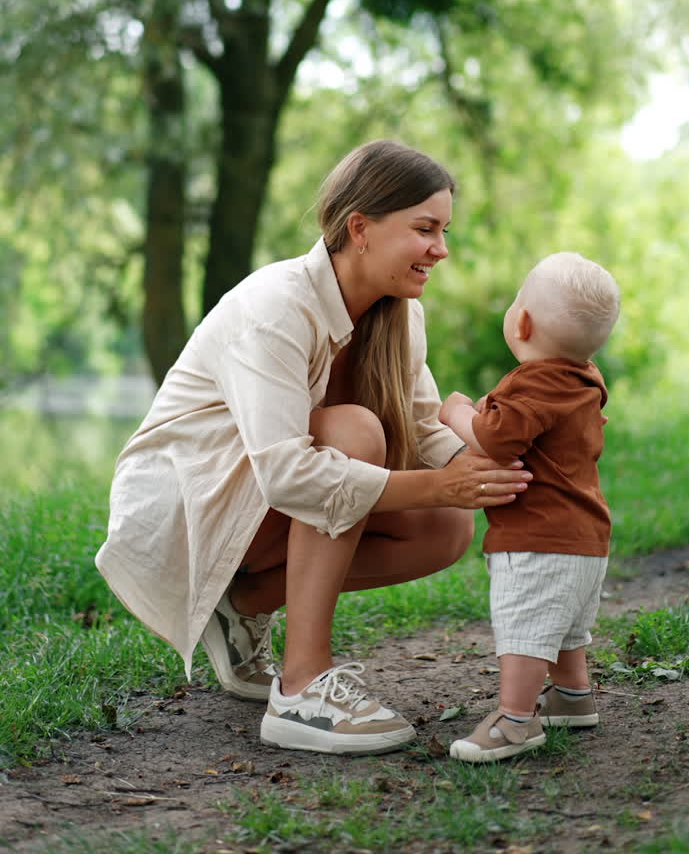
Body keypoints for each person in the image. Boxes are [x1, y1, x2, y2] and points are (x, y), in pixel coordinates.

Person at [96, 140, 533, 757]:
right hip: (189, 512)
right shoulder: (275, 307)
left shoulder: (398, 314)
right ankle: (301, 690)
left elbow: (422, 425)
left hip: (261, 509)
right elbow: (286, 473)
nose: (441, 248)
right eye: (425, 228)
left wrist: (493, 473)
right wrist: (436, 483)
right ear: (360, 228)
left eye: (444, 230)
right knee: (354, 432)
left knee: (444, 527)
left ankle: (243, 603)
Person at [438, 251, 620, 763]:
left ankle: (516, 721)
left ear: (520, 320)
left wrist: (456, 412)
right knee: (563, 625)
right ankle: (571, 695)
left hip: (538, 537)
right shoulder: (583, 381)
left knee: (526, 626)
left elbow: (496, 440)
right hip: (585, 537)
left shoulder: (535, 380)